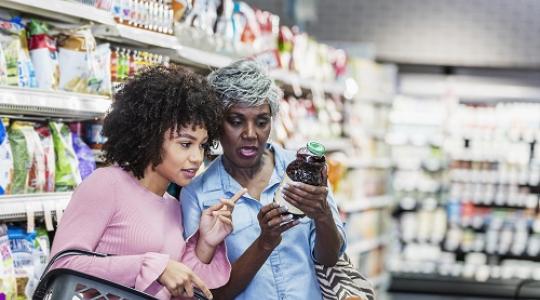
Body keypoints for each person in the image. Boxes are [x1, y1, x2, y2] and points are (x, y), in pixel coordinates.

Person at [50, 65, 246, 299]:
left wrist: (205, 244)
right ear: (150, 136)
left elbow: (179, 288)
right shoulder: (106, 185)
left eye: (202, 145)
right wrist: (151, 266)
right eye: (185, 144)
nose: (197, 157)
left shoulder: (172, 206)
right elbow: (62, 266)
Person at [181, 59, 347, 300]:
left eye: (261, 121)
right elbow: (209, 294)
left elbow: (329, 258)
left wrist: (323, 217)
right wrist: (265, 243)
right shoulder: (198, 195)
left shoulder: (303, 172)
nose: (250, 134)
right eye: (236, 121)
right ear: (216, 123)